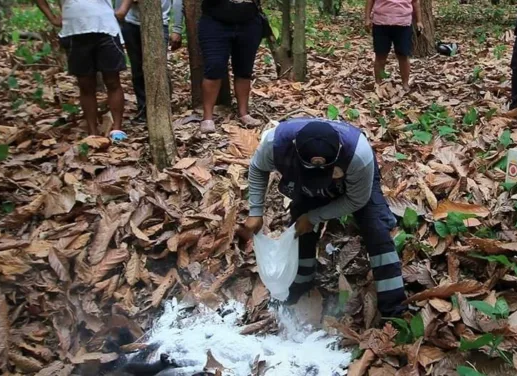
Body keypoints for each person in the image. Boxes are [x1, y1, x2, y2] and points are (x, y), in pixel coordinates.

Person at [243, 118, 407, 317]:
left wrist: (315, 216)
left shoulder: (357, 155)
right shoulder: (275, 144)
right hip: (301, 178)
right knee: (300, 219)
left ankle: (394, 310)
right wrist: (256, 211)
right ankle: (301, 283)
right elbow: (258, 168)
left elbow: (357, 200)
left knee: (375, 227)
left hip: (354, 183)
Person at [36, 0, 132, 142]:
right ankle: (92, 133)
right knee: (85, 84)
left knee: (112, 80)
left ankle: (117, 129)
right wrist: (52, 18)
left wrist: (123, 10)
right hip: (75, 31)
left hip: (106, 28)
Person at [198, 0, 263, 133]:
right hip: (215, 21)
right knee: (214, 67)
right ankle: (207, 118)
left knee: (244, 69)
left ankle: (244, 113)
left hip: (249, 20)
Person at [119, 0, 184, 125]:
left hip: (158, 23)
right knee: (137, 69)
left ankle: (162, 107)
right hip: (131, 23)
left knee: (158, 68)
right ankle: (143, 109)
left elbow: (177, 2)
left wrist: (177, 29)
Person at [364, 0, 422, 91]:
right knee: (380, 55)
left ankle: (405, 84)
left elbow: (415, 2)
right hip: (381, 23)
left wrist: (419, 21)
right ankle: (378, 83)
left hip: (403, 24)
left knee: (403, 54)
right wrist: (367, 18)